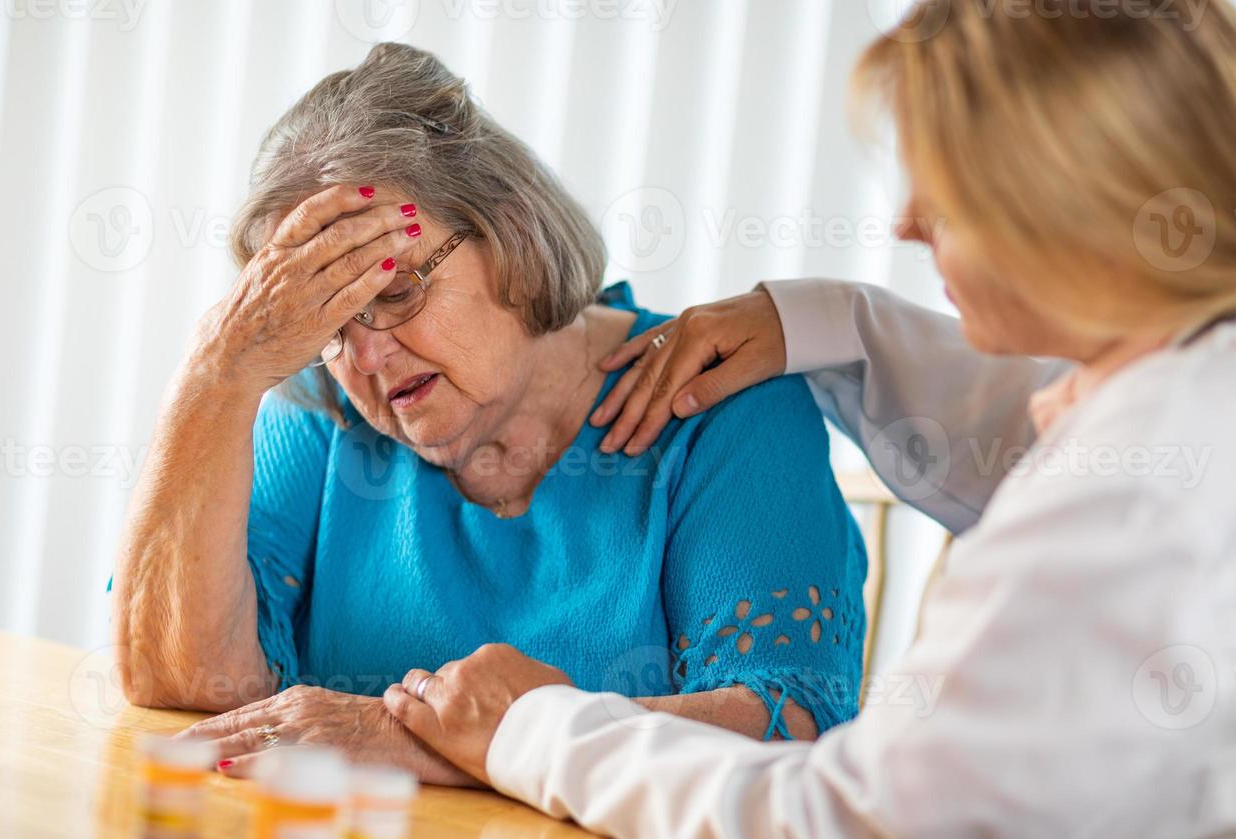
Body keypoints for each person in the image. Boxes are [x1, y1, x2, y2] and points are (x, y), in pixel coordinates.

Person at [377, 1, 1236, 839]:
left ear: (1070, 195)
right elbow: (1021, 419)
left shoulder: (1136, 487)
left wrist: (538, 728)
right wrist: (822, 320)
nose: (905, 222)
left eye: (947, 179)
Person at [110, 43, 867, 781]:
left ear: (509, 230)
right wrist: (217, 370)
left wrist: (435, 741)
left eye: (395, 289)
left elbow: (788, 731)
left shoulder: (723, 403)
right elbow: (182, 683)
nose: (366, 359)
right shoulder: (320, 413)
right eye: (328, 324)